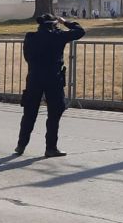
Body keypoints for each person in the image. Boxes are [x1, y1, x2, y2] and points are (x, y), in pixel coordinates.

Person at [16, 13, 85, 157]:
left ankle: (21, 144)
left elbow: (27, 57)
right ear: (54, 24)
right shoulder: (58, 36)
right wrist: (65, 22)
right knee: (54, 113)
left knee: (29, 112)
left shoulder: (30, 37)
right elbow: (80, 31)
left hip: (34, 77)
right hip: (53, 78)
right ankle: (50, 147)